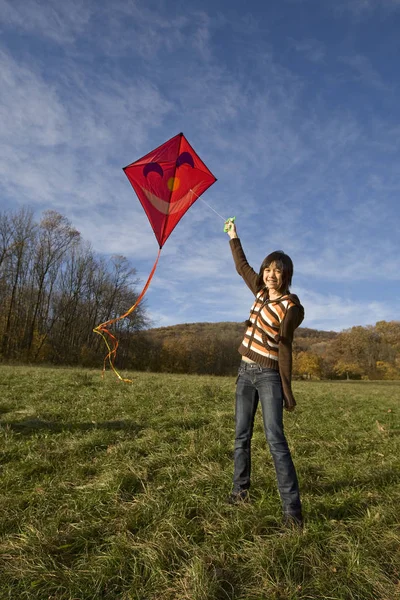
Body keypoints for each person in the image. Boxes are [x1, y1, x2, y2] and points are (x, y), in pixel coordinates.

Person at [226, 221, 304, 528]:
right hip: (244, 372)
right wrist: (233, 235)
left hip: (269, 376)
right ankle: (239, 492)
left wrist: (287, 389)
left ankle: (292, 512)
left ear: (286, 275)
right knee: (241, 436)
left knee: (275, 439)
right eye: (268, 268)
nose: (270, 274)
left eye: (277, 270)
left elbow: (285, 345)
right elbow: (241, 265)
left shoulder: (290, 305)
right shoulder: (259, 292)